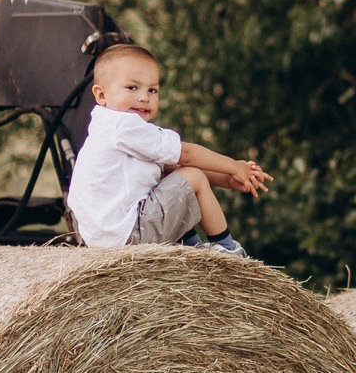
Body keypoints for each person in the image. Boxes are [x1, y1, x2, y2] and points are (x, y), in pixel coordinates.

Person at [68, 41, 271, 254]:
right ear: (101, 95)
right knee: (191, 175)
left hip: (109, 239)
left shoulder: (109, 129)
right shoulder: (123, 125)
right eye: (132, 87)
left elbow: (172, 168)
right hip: (127, 235)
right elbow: (187, 155)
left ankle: (192, 249)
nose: (144, 97)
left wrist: (227, 180)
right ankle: (228, 250)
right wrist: (233, 166)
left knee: (168, 179)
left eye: (153, 90)